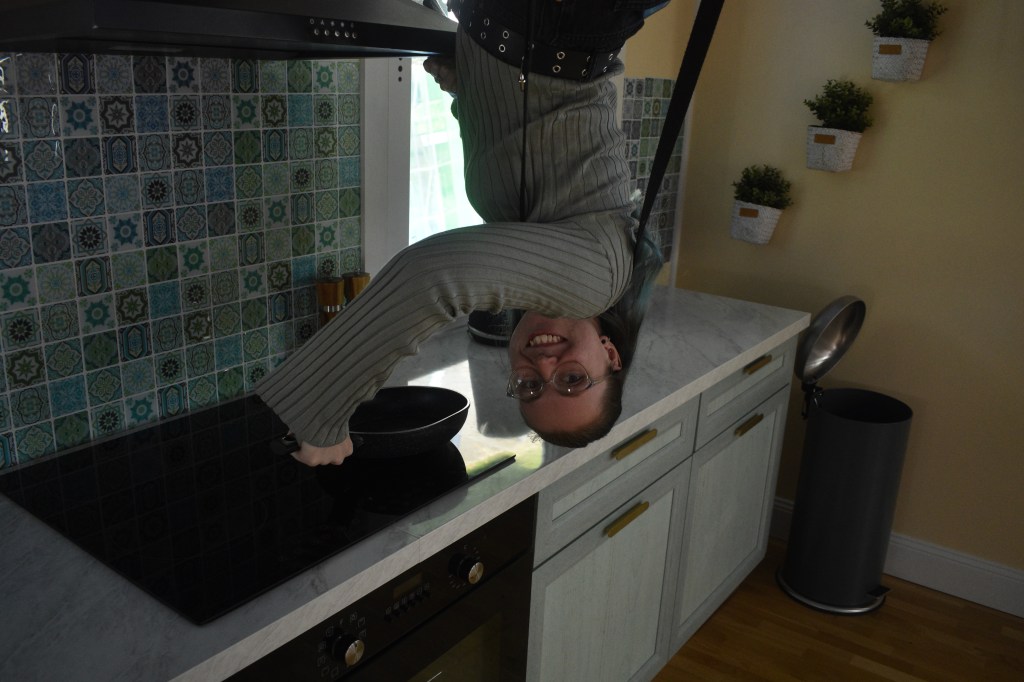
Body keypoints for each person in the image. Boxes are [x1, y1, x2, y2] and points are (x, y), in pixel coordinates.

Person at [256, 0, 667, 465]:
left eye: (530, 386)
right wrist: (322, 413)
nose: (544, 366)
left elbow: (534, 139)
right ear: (610, 356)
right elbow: (431, 276)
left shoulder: (555, 272)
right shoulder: (593, 284)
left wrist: (468, 86)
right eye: (572, 380)